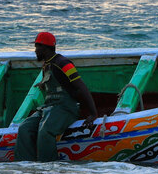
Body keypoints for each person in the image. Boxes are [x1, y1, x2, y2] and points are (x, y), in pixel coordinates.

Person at [14, 32, 98, 162]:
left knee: (45, 130)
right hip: (48, 108)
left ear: (45, 48)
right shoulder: (47, 65)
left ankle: (48, 166)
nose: (35, 50)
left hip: (66, 108)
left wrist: (93, 114)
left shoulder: (63, 63)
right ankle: (26, 166)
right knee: (24, 128)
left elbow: (82, 87)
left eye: (37, 47)